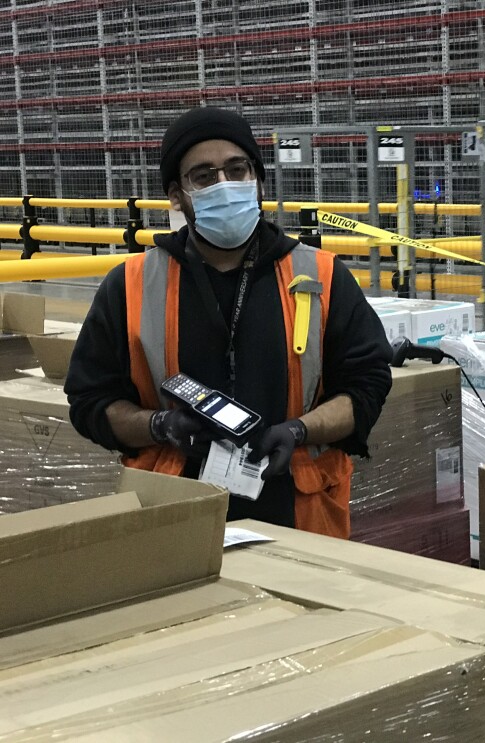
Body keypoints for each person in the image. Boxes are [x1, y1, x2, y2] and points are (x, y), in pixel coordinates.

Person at [65, 106, 393, 538]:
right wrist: (160, 426)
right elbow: (91, 401)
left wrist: (297, 431)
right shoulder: (130, 286)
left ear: (258, 178)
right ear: (177, 195)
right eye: (203, 176)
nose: (225, 185)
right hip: (174, 516)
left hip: (298, 513)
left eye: (237, 170)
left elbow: (367, 385)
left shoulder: (323, 276)